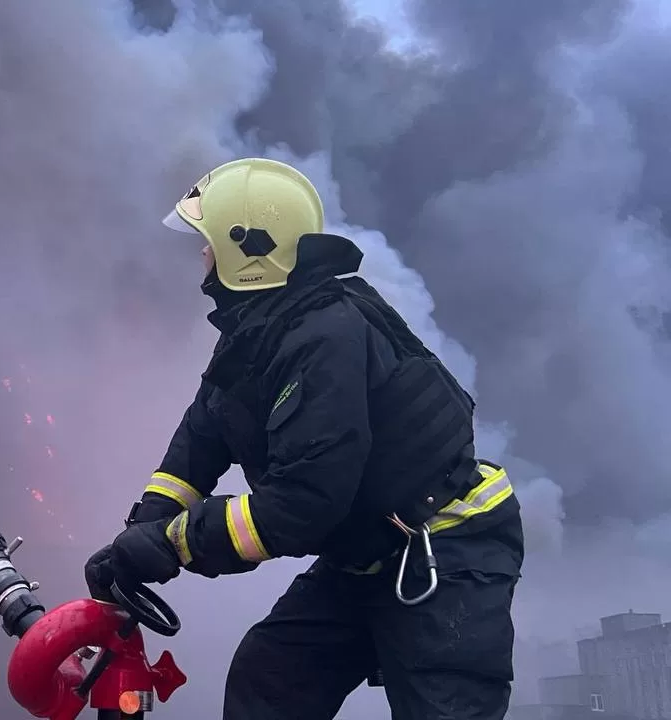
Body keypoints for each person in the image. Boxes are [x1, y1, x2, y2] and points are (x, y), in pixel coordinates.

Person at [84, 158, 524, 720]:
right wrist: (140, 531)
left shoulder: (324, 336)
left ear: (245, 252)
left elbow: (302, 504)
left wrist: (173, 543)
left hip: (445, 547)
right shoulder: (257, 330)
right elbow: (200, 438)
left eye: (209, 239)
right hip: (365, 553)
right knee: (270, 679)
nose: (202, 253)